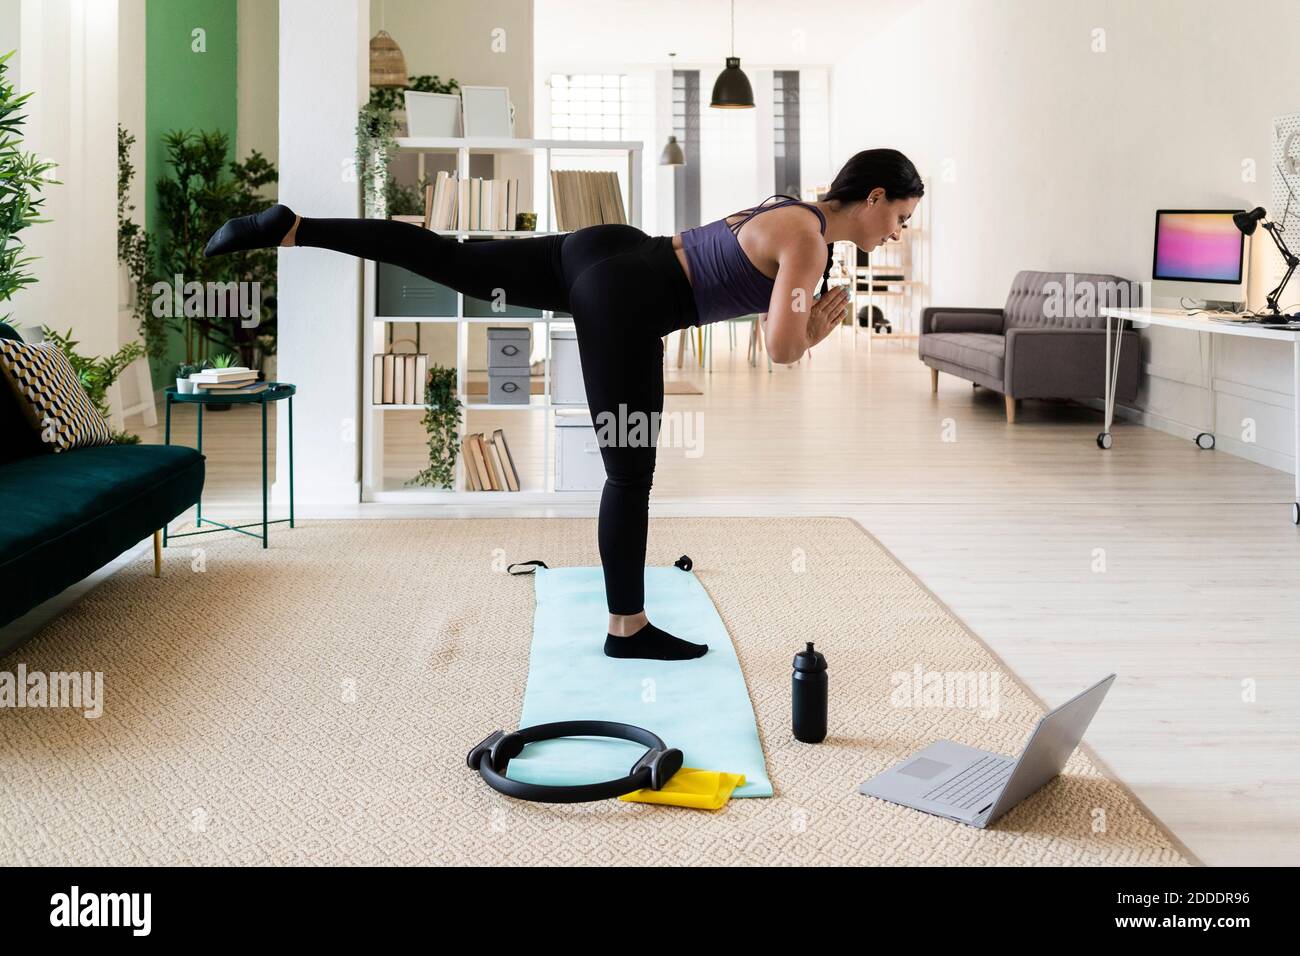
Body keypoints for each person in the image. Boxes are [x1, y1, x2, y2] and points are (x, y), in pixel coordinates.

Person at [204, 148, 925, 661]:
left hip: (604, 249)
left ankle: (295, 229)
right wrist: (818, 331)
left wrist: (796, 324)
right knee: (630, 474)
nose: (896, 233)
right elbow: (779, 348)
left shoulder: (787, 206)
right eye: (899, 218)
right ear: (872, 199)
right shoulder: (810, 244)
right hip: (631, 297)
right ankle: (627, 630)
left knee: (451, 256)